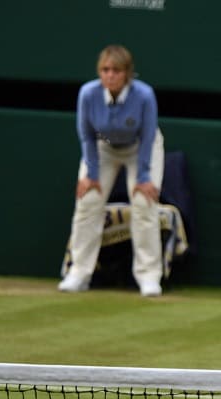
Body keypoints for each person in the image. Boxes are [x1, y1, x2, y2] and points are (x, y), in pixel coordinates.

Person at [58, 44, 165, 297]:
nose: (110, 75)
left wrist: (143, 177)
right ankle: (79, 273)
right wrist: (91, 175)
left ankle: (149, 276)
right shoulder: (88, 93)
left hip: (140, 148)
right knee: (88, 200)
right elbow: (86, 135)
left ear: (127, 73)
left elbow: (148, 136)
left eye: (116, 70)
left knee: (143, 203)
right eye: (105, 70)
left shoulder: (144, 95)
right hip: (102, 148)